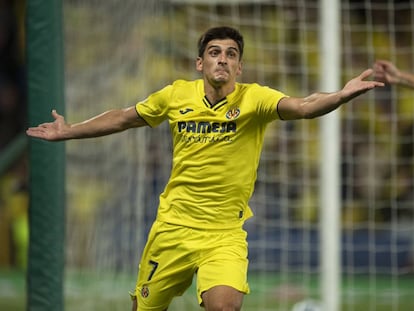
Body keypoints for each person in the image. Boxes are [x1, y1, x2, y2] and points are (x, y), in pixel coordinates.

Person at [26, 26, 384, 311]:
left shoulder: (254, 99)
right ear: (200, 63)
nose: (222, 60)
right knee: (145, 307)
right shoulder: (175, 95)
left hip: (224, 233)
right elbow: (122, 118)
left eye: (231, 54)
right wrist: (70, 130)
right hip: (173, 228)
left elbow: (303, 106)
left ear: (239, 67)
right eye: (215, 53)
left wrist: (340, 94)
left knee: (225, 306)